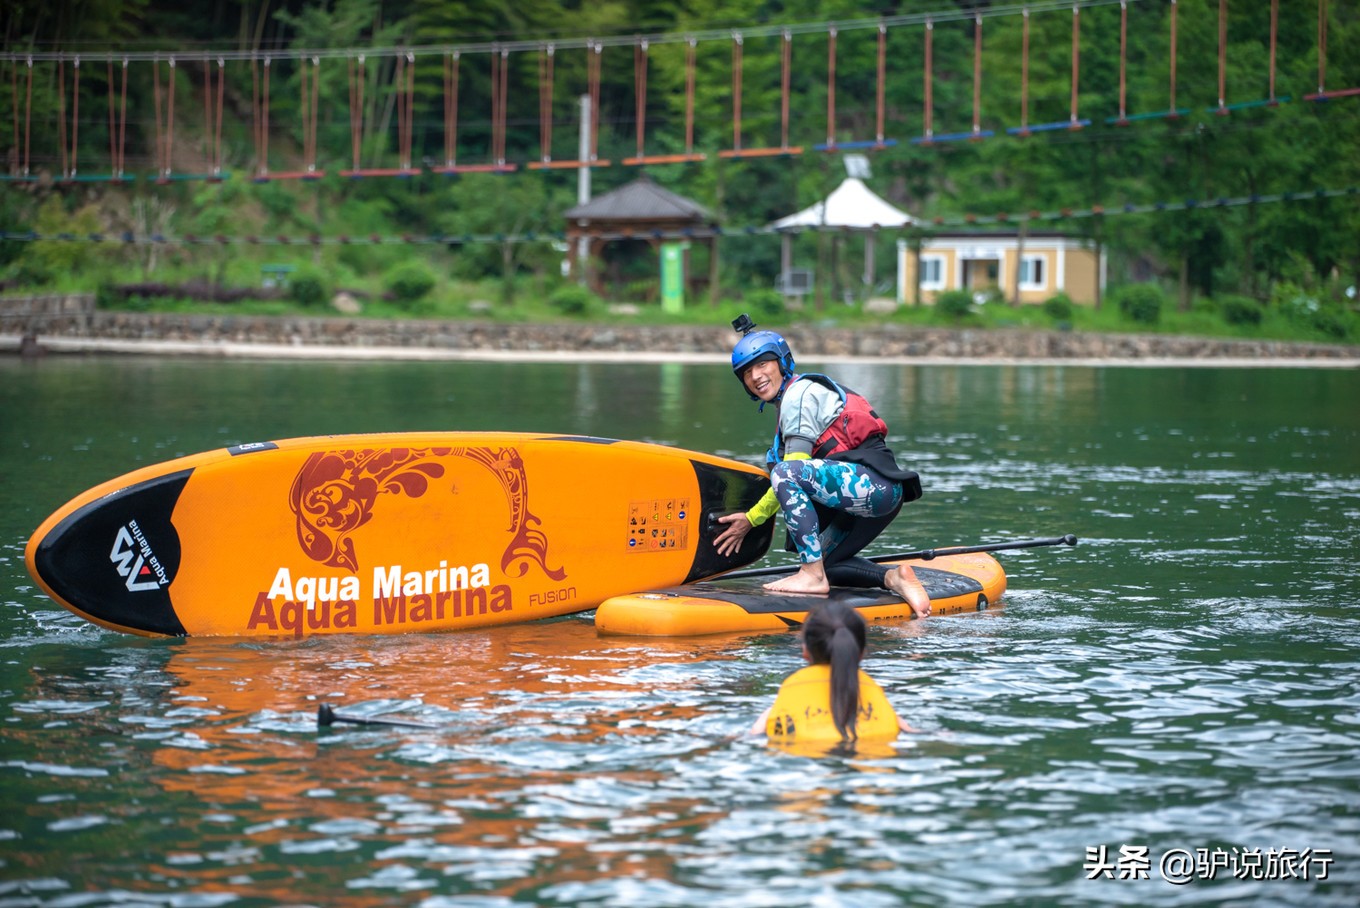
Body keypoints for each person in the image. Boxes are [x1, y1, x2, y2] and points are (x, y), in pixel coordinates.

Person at [714, 314, 932, 618]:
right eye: (747, 372)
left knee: (785, 473)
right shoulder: (788, 407)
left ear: (782, 362)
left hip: (875, 487)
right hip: (872, 499)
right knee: (827, 563)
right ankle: (895, 578)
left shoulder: (799, 395)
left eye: (762, 364)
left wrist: (751, 519)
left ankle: (812, 576)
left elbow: (792, 471)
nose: (755, 376)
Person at [749, 600, 912, 743]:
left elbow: (754, 737)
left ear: (805, 651)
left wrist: (765, 718)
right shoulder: (877, 698)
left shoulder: (789, 693)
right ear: (861, 653)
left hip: (802, 759)